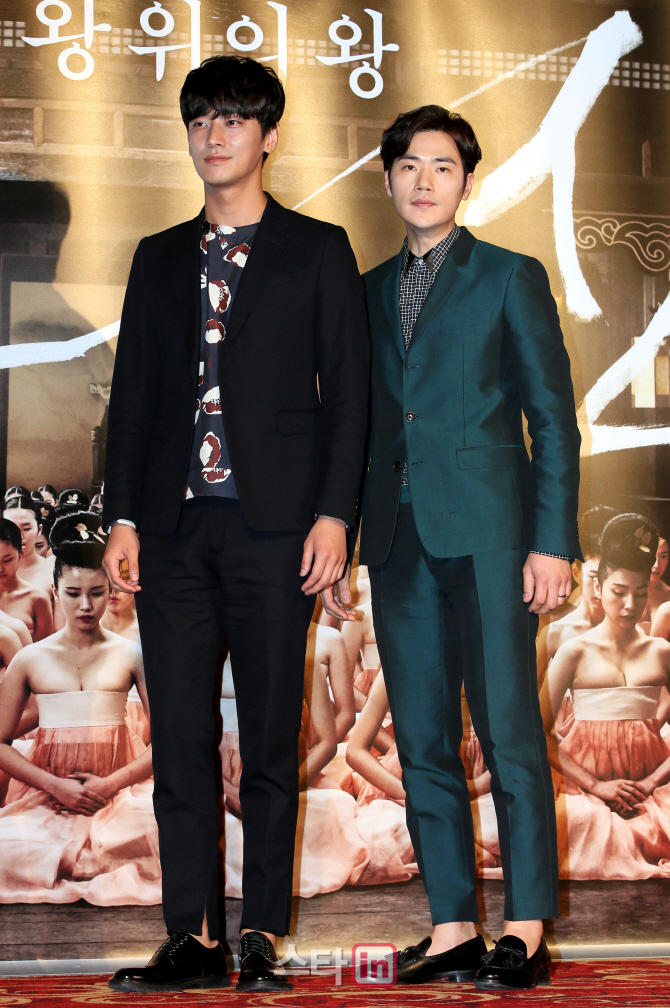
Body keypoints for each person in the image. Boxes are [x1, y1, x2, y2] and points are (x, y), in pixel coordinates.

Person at [102, 55, 369, 994]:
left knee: (268, 742)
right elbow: (132, 398)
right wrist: (122, 516)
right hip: (172, 535)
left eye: (233, 119)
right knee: (177, 741)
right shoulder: (158, 255)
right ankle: (192, 937)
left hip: (276, 532)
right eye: (200, 120)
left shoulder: (318, 248)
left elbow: (350, 399)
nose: (214, 136)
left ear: (268, 135)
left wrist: (334, 515)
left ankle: (258, 936)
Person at [356, 105, 581, 990]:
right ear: (387, 179)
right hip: (397, 540)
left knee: (509, 734)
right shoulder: (367, 289)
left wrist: (552, 541)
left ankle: (525, 927)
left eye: (442, 166)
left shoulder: (510, 276)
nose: (424, 181)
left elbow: (552, 421)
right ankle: (451, 925)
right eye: (409, 166)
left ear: (468, 181)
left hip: (492, 538)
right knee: (421, 740)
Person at [0, 511, 159, 904]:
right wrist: (55, 786)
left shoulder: (134, 654)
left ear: (111, 589)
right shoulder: (30, 659)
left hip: (122, 792)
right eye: (73, 594)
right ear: (55, 591)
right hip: (47, 795)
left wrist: (109, 785)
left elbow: (167, 741)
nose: (85, 606)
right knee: (9, 848)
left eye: (97, 593)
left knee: (163, 833)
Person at [541, 514, 670, 879]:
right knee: (576, 829)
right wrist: (596, 785)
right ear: (598, 587)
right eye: (619, 592)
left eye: (640, 594)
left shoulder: (662, 652)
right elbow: (537, 731)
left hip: (651, 788)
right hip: (583, 789)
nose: (630, 605)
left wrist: (651, 782)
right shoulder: (575, 651)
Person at [536, 506, 616, 739]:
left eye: (608, 578)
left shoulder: (629, 628)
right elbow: (526, 691)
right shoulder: (555, 632)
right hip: (561, 733)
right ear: (576, 574)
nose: (600, 587)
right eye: (594, 577)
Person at [101, 587, 149, 745]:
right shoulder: (83, 630)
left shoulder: (150, 632)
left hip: (141, 724)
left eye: (124, 577)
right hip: (95, 720)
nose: (113, 589)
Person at [0, 518, 52, 641]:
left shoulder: (37, 598)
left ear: (21, 552)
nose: (0, 568)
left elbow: (45, 648)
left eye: (7, 560)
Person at [4, 495, 56, 599]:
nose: (20, 536)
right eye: (11, 528)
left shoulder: (53, 572)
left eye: (26, 529)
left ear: (39, 530)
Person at [639, 534, 670, 632]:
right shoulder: (620, 591)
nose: (657, 565)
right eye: (651, 556)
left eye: (663, 556)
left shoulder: (668, 596)